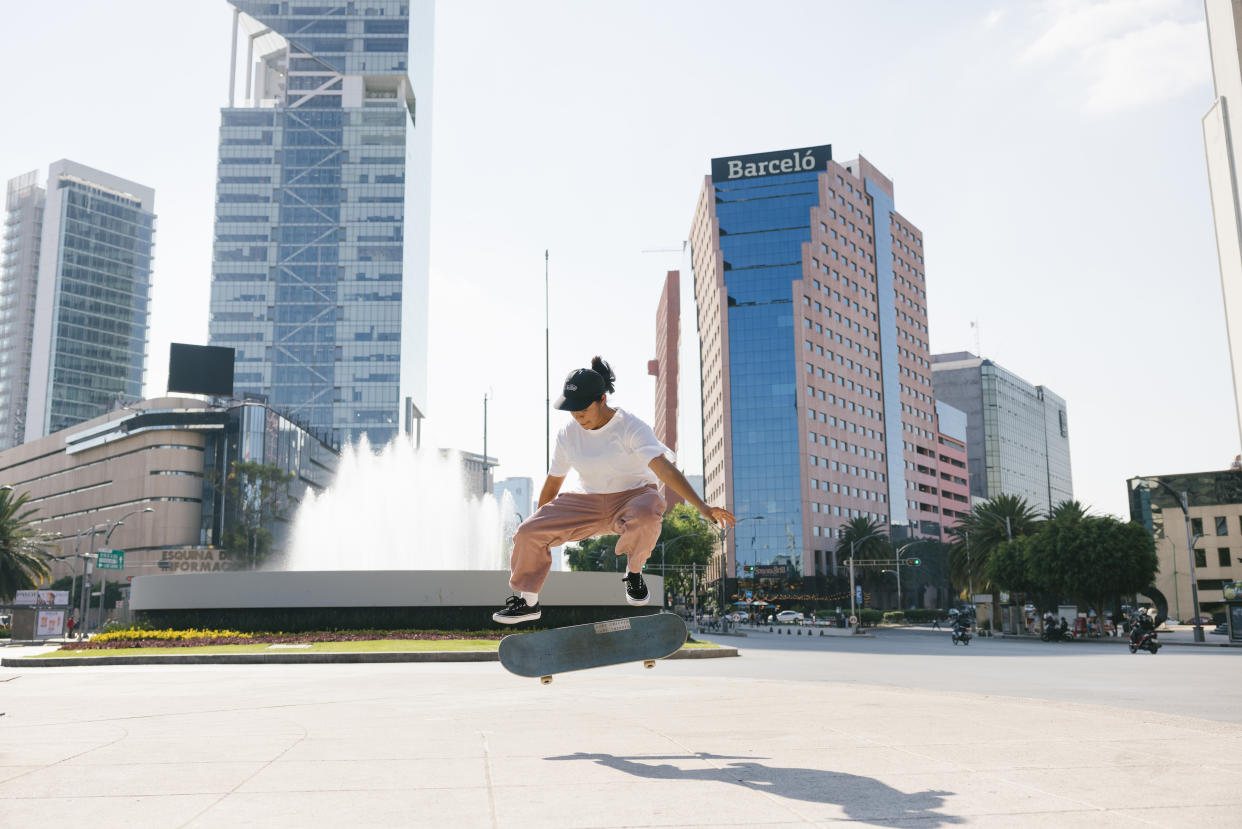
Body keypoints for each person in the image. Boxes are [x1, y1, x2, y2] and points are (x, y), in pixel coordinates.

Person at [494, 357, 736, 624]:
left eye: (583, 410)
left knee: (648, 514)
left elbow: (663, 469)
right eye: (572, 411)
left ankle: (634, 574)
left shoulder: (630, 426)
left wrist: (702, 507)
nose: (578, 417)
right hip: (587, 502)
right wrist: (541, 524)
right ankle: (528, 603)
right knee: (527, 532)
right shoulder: (568, 434)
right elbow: (553, 483)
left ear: (602, 400)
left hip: (634, 497)